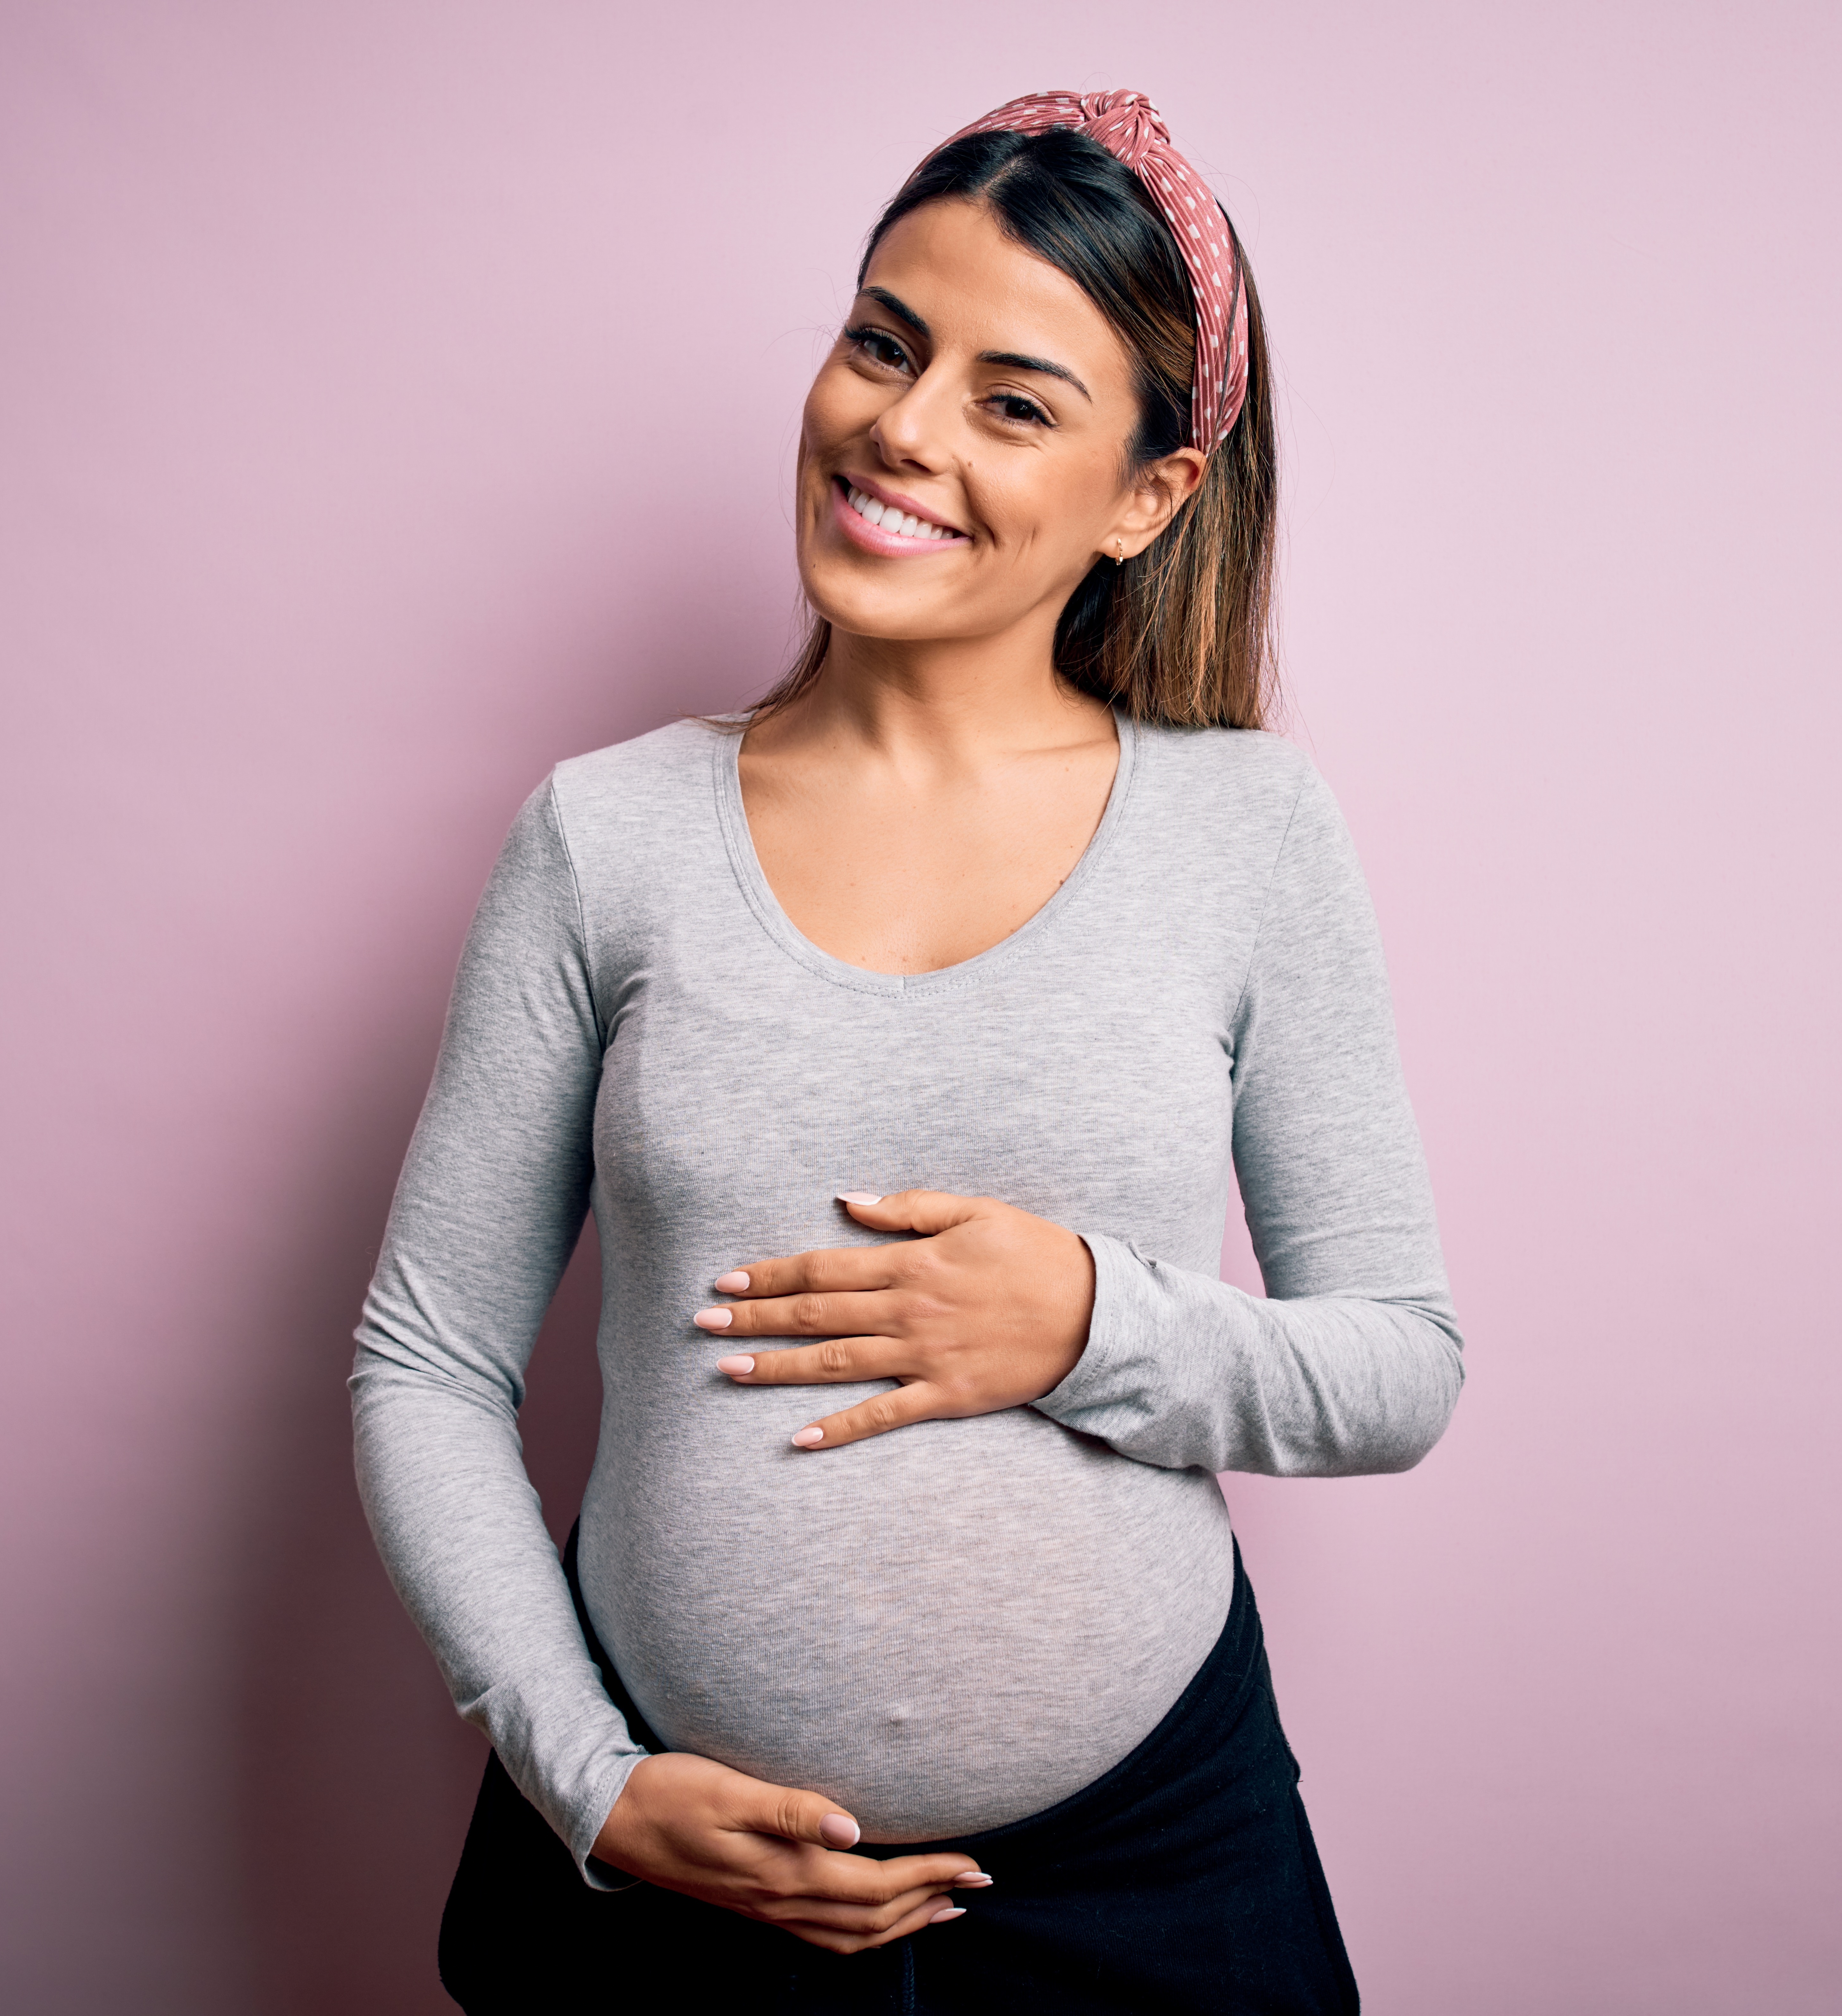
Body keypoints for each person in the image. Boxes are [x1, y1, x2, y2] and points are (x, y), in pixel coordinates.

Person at [351, 89, 1462, 2014]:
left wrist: (1089, 1324)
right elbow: (424, 1364)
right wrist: (587, 1783)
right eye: (885, 339)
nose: (904, 428)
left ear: (1150, 497)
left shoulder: (1250, 836)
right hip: (672, 1888)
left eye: (1015, 401)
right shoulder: (604, 837)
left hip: (1147, 1874)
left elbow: (1401, 1364)